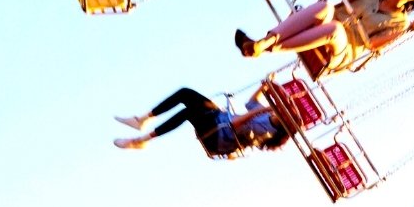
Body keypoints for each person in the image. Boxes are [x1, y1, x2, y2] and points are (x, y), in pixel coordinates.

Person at [235, 0, 414, 62]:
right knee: (326, 6)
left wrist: (406, 31)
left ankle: (267, 46)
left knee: (335, 29)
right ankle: (263, 44)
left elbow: (373, 45)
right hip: (327, 23)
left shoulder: (400, 22)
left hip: (343, 49)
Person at [113, 86, 289, 158]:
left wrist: (261, 110)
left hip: (220, 135)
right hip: (219, 119)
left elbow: (235, 126)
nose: (278, 109)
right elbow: (251, 102)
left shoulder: (267, 131)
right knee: (186, 94)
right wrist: (264, 86)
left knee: (189, 112)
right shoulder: (267, 116)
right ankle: (141, 120)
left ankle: (141, 140)